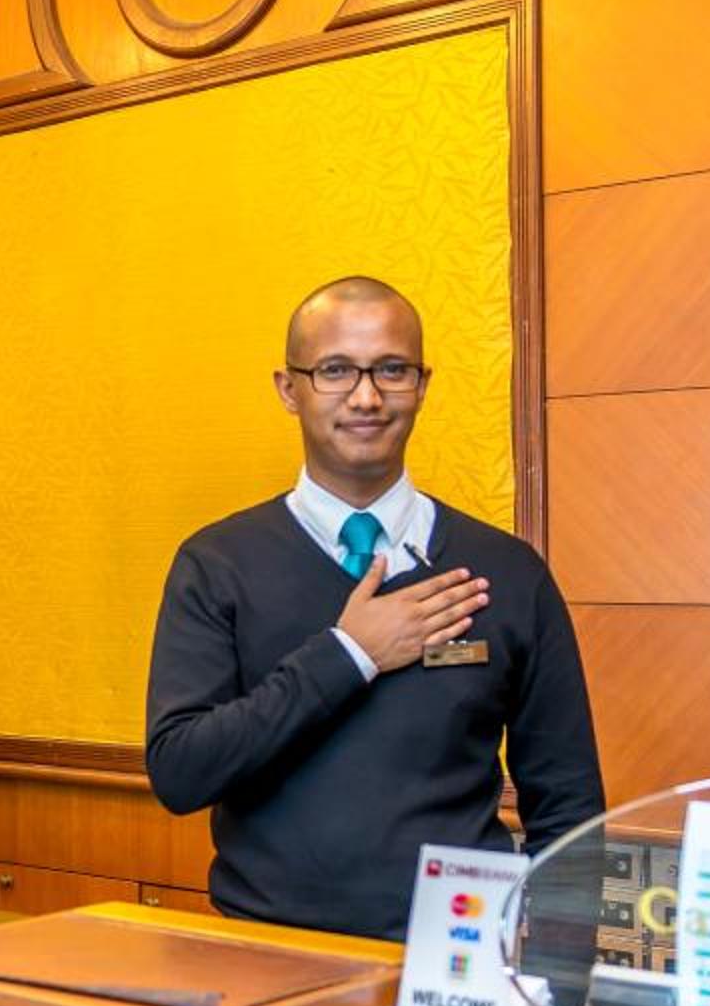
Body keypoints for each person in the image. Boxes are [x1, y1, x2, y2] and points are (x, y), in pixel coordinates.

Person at [143, 277, 602, 937]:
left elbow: (568, 803)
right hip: (265, 947)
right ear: (289, 389)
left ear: (422, 384)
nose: (366, 397)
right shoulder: (217, 564)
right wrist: (350, 653)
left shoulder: (506, 572)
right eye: (335, 370)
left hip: (455, 950)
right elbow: (182, 773)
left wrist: (562, 965)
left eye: (391, 370)